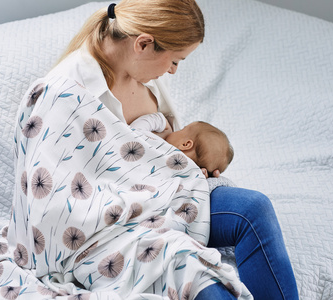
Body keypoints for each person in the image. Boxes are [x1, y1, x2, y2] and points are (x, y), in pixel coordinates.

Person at [51, 1, 299, 298]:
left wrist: (194, 167)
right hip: (111, 224)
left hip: (169, 196)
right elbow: (52, 194)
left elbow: (165, 147)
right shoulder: (64, 92)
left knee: (253, 208)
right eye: (175, 60)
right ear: (143, 44)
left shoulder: (147, 82)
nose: (172, 71)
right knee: (193, 273)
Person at [130, 112, 234, 177]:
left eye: (183, 129)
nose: (176, 129)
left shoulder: (159, 146)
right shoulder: (181, 176)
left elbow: (133, 132)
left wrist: (160, 120)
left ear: (185, 144)